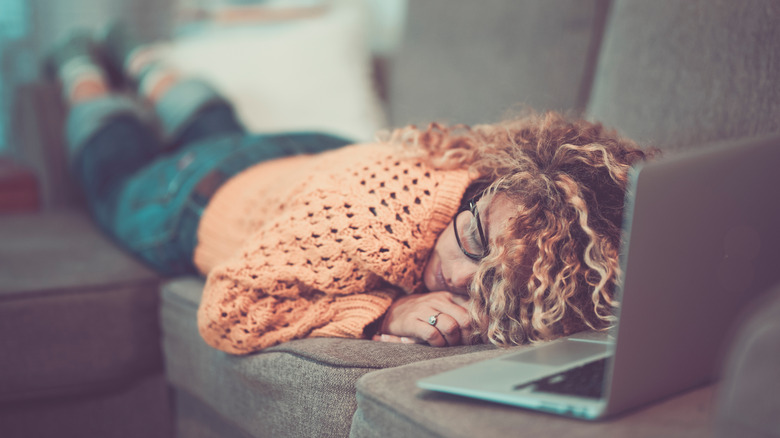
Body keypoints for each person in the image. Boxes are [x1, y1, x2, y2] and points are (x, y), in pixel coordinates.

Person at [50, 27, 656, 355]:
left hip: (303, 153)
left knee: (214, 123)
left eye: (503, 277)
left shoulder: (492, 178)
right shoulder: (372, 225)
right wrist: (382, 312)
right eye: (476, 240)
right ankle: (85, 69)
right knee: (115, 167)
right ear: (485, 191)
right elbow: (226, 308)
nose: (465, 281)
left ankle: (151, 64)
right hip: (192, 198)